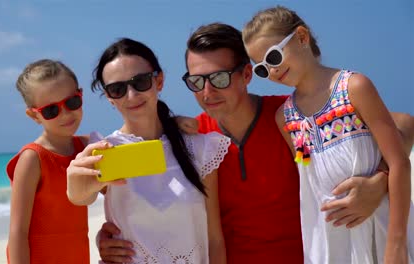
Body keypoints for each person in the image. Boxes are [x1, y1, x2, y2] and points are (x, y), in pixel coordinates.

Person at [97, 24, 413, 264]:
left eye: (219, 78)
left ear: (247, 74)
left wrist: (381, 179)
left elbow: (404, 124)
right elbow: (138, 196)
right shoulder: (193, 140)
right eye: (196, 81)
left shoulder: (288, 114)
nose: (207, 92)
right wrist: (111, 236)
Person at [242, 5, 414, 263]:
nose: (273, 71)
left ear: (301, 37)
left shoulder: (354, 87)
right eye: (262, 69)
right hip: (329, 247)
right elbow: (310, 185)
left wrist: (396, 245)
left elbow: (399, 161)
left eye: (274, 57)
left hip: (380, 231)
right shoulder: (285, 118)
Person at [66, 38, 229, 264]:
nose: (131, 95)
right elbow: (82, 196)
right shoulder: (106, 151)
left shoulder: (199, 148)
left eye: (140, 81)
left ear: (159, 81)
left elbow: (215, 239)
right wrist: (74, 184)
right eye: (117, 89)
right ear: (109, 98)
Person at [7, 59, 93, 263]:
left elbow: (131, 140)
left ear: (81, 95)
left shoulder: (87, 148)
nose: (65, 114)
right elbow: (18, 232)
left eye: (72, 102)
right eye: (51, 110)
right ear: (34, 116)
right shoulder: (32, 158)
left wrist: (174, 123)